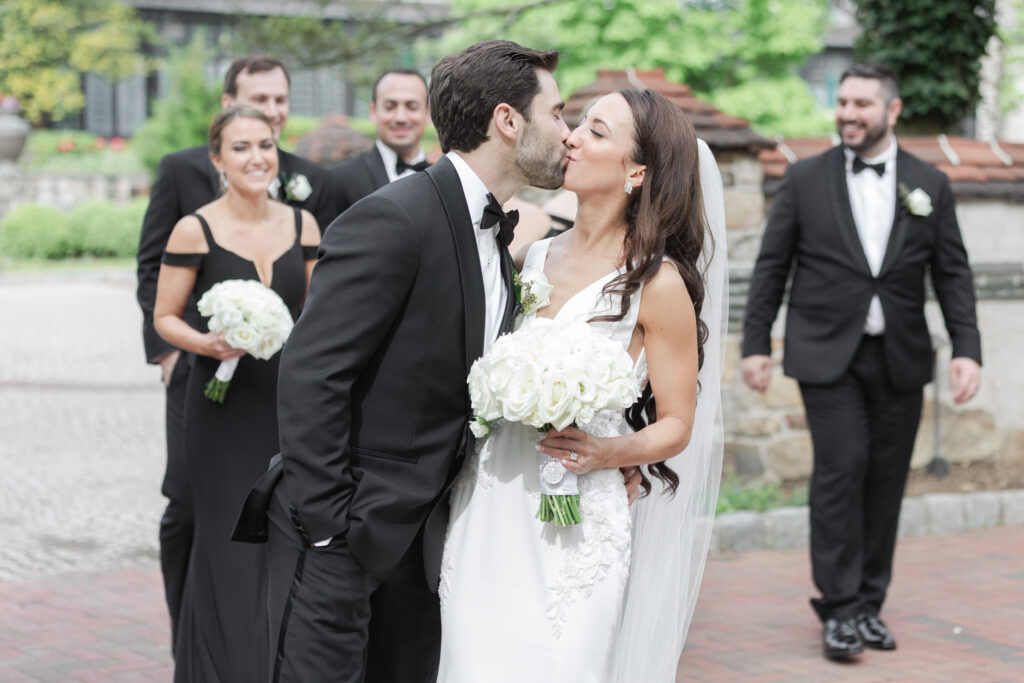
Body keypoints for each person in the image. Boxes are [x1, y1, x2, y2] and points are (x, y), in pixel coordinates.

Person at [230, 40, 574, 682]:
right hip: (343, 531)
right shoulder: (393, 218)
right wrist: (329, 524)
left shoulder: (498, 236)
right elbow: (312, 373)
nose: (567, 132)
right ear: (508, 120)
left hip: (430, 542)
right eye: (558, 113)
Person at [438, 89, 727, 682]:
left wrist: (610, 452)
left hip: (576, 520)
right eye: (577, 124)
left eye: (596, 132)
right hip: (493, 499)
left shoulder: (658, 282)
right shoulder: (534, 257)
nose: (571, 137)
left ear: (637, 171)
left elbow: (677, 422)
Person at [740, 63, 982, 660]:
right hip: (827, 354)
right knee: (842, 468)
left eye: (861, 104)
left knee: (885, 481)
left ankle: (870, 603)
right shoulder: (803, 180)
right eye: (842, 101)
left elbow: (952, 273)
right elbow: (773, 267)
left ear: (891, 111)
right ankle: (839, 608)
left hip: (900, 355)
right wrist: (754, 342)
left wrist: (967, 349)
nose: (847, 113)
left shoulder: (931, 183)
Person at [134, 54, 332, 652]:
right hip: (219, 406)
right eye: (242, 147)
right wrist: (202, 344)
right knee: (222, 534)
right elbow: (164, 314)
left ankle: (270, 655)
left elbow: (319, 316)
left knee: (280, 534)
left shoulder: (305, 225)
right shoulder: (194, 228)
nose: (257, 157)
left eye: (266, 146)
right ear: (217, 160)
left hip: (284, 406)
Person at [328, 68, 431, 218]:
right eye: (390, 107)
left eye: (412, 107)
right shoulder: (339, 179)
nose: (400, 117)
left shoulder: (445, 181)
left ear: (428, 113)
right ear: (373, 111)